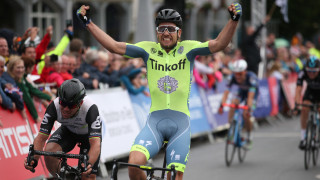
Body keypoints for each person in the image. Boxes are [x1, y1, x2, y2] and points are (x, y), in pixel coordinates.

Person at [76, 3, 242, 179]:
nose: (165, 33)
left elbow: (218, 44)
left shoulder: (189, 49)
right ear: (156, 32)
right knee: (133, 164)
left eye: (171, 28)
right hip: (155, 123)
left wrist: (233, 20)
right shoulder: (148, 49)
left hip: (180, 125)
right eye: (161, 28)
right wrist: (88, 23)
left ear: (179, 33)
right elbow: (115, 47)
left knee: (174, 176)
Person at [24, 78, 102, 180]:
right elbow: (41, 138)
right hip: (68, 132)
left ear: (80, 103)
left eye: (71, 106)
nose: (65, 109)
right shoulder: (54, 107)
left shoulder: (90, 108)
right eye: (63, 103)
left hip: (88, 137)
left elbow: (95, 143)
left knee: (87, 175)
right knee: (49, 152)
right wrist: (33, 159)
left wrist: (88, 165)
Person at [218, 59, 259, 149]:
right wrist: (221, 105)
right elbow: (226, 93)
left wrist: (248, 108)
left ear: (245, 71)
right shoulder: (232, 77)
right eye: (235, 73)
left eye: (240, 73)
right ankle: (231, 130)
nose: (237, 76)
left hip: (252, 95)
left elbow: (250, 97)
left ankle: (249, 137)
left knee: (246, 114)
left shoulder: (251, 78)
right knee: (233, 103)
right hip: (242, 92)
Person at [293, 56, 320, 150]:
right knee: (304, 109)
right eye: (309, 71)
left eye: (314, 72)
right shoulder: (303, 72)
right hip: (311, 92)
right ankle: (303, 138)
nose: (311, 74)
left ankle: (316, 136)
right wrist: (296, 104)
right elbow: (298, 89)